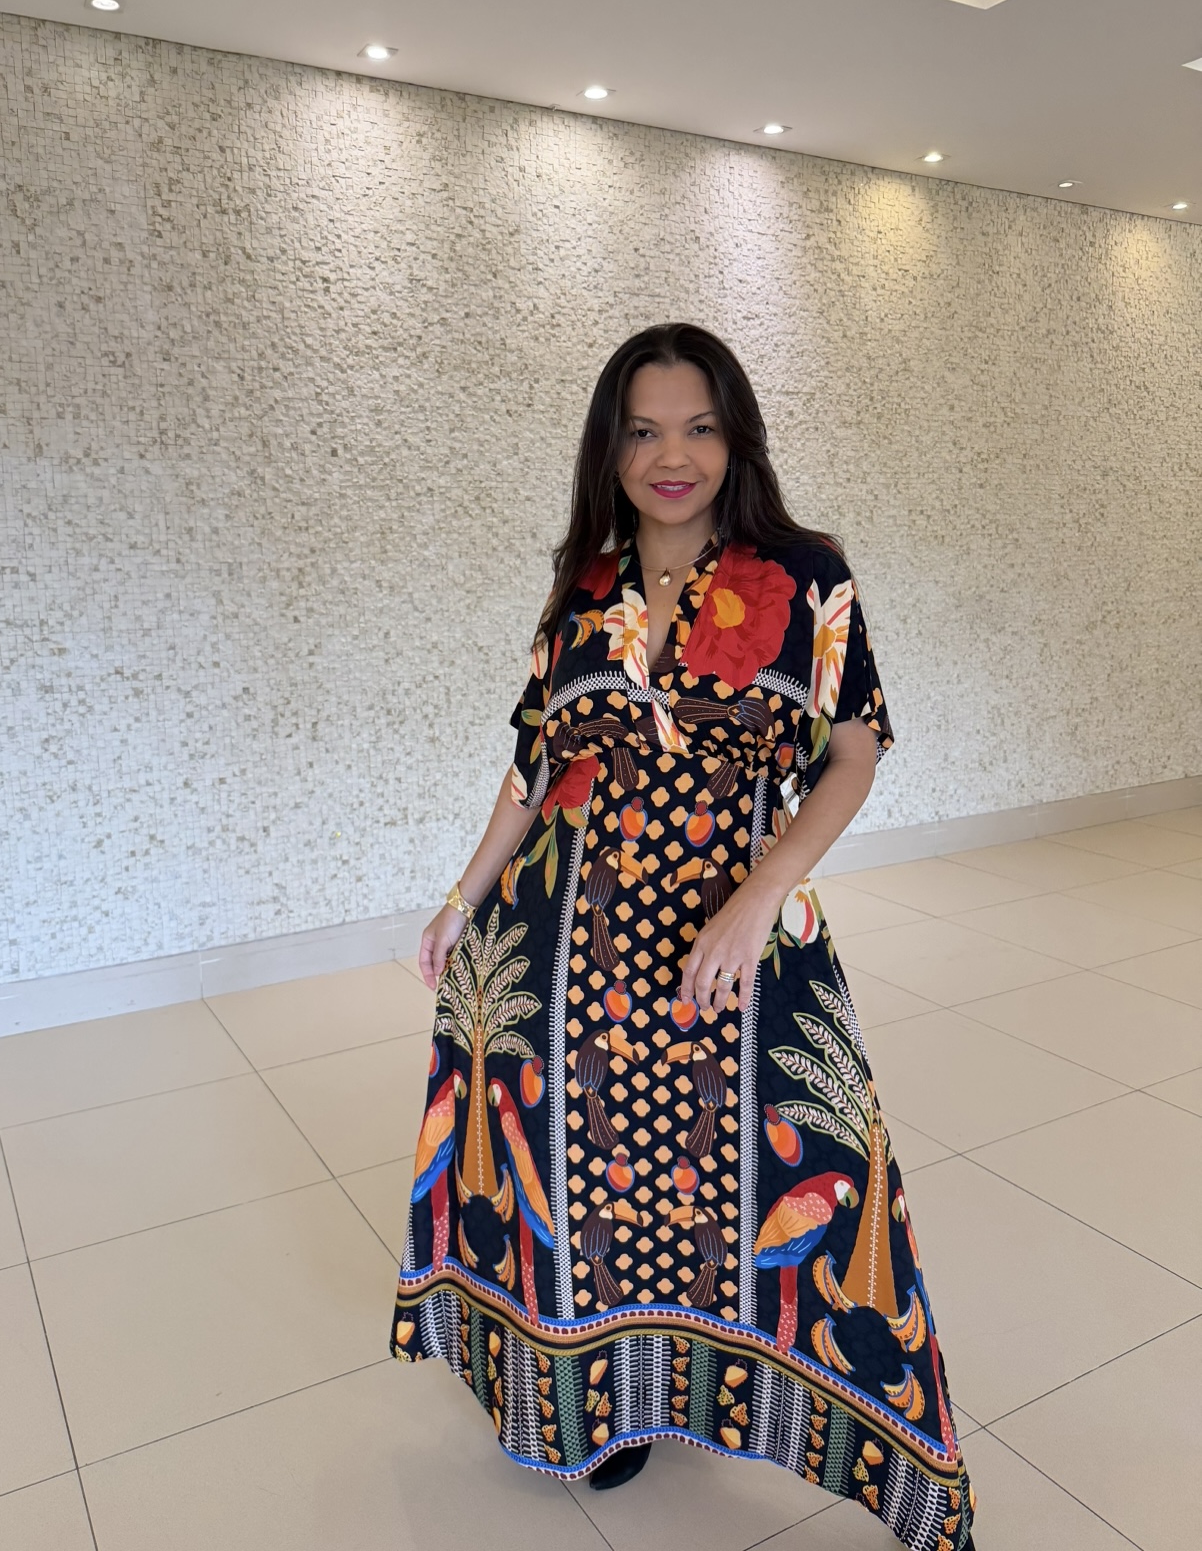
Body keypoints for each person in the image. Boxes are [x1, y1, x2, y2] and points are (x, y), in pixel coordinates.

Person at [391, 324, 975, 1549]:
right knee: (588, 1169)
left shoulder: (804, 576)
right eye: (645, 430)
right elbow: (532, 766)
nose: (674, 456)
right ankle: (606, 1401)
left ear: (735, 438)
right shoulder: (584, 589)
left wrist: (765, 892)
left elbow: (854, 751)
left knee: (793, 1169)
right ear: (609, 449)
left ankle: (819, 1418)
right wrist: (461, 896)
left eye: (700, 428)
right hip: (567, 938)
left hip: (735, 935)